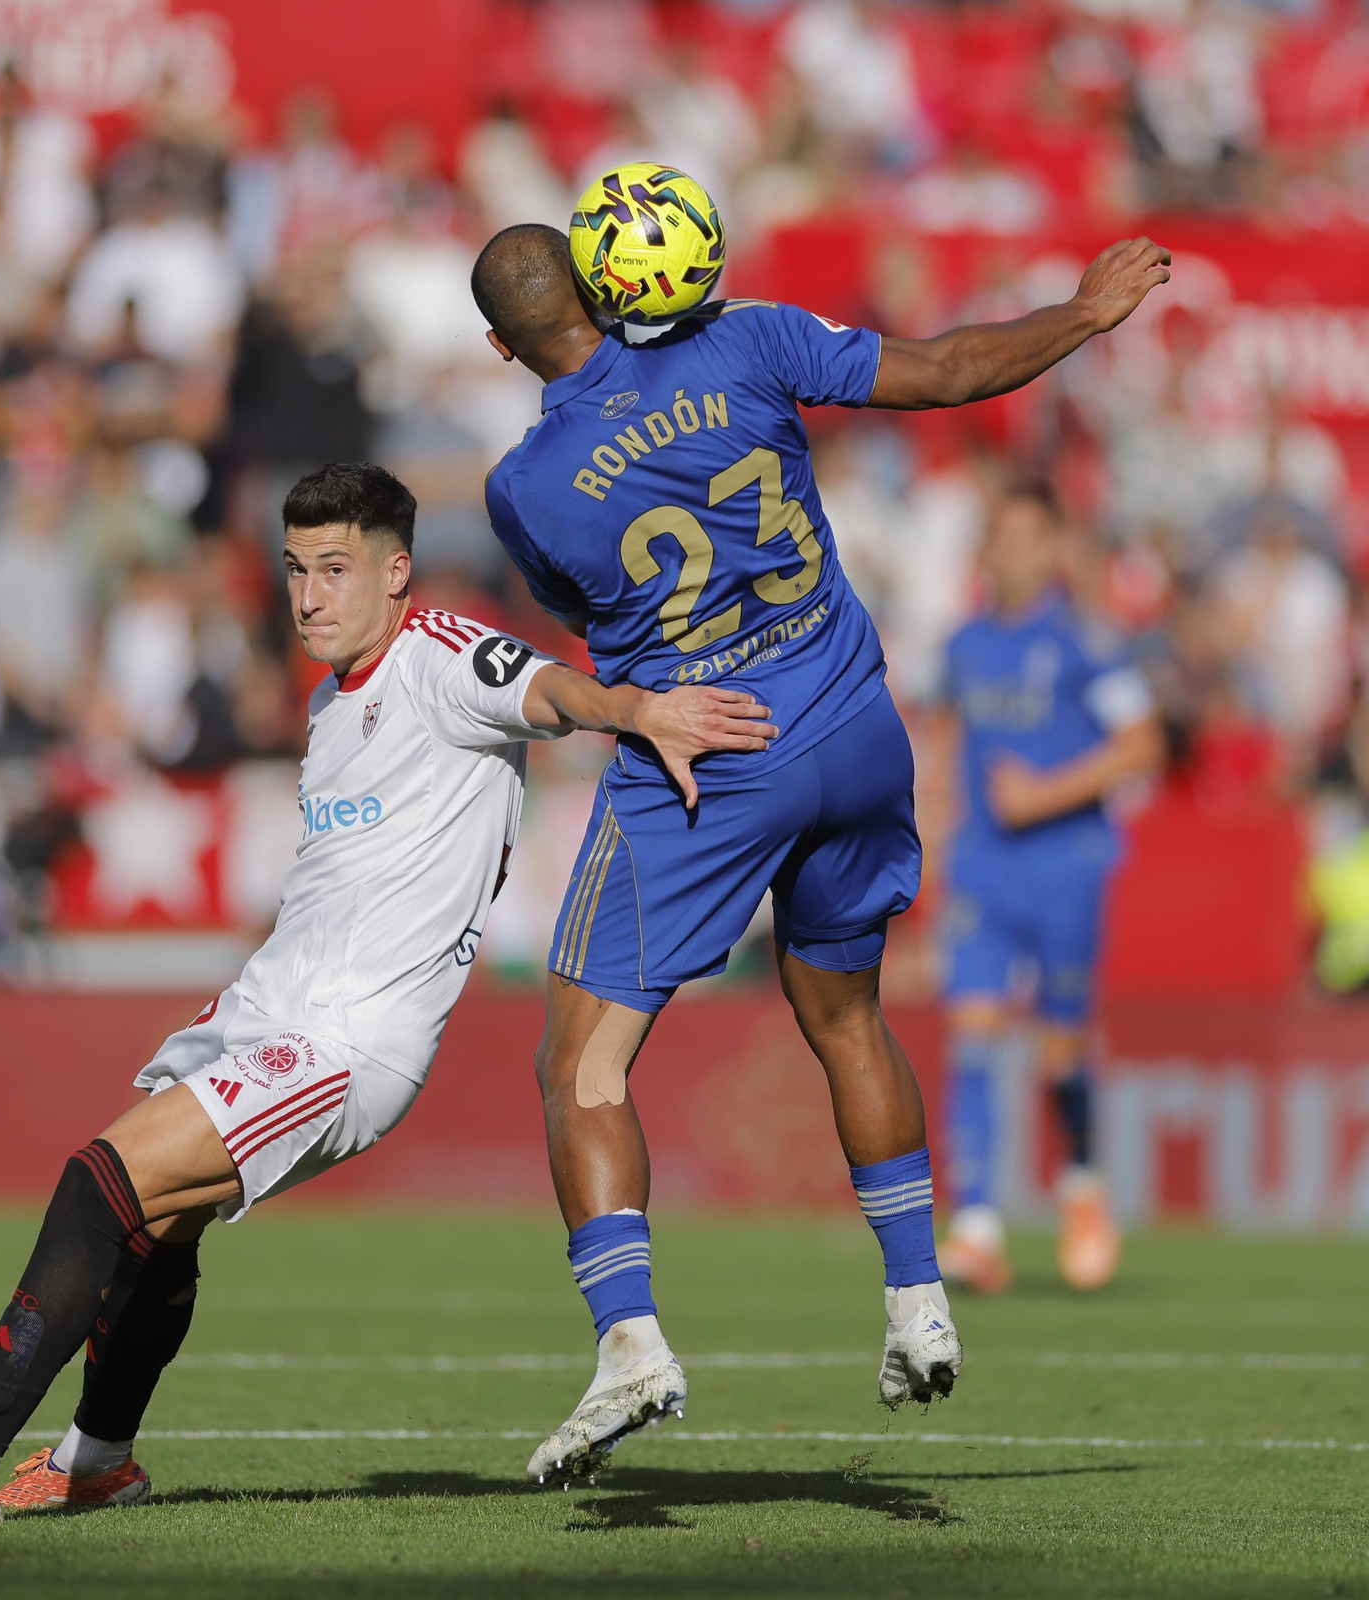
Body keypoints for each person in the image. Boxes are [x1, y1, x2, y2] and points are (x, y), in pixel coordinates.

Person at [0, 461, 775, 1530]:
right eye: (293, 569)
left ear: (395, 571)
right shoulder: (331, 702)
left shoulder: (440, 656)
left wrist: (637, 709)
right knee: (155, 1229)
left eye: (333, 568)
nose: (308, 594)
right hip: (273, 1009)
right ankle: (97, 1459)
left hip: (344, 1043)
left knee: (100, 1183)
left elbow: (547, 690)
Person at [471, 214, 1170, 1483]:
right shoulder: (749, 341)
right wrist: (1079, 312)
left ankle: (630, 1342)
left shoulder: (522, 485)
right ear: (606, 281)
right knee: (846, 1018)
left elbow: (584, 608)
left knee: (579, 1062)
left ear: (497, 344)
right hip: (851, 725)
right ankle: (917, 1297)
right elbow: (953, 370)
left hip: (710, 755)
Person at [937, 485, 1163, 1294]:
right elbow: (948, 746)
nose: (1014, 552)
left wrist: (1046, 792)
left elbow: (1142, 745)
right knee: (972, 1031)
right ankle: (976, 1227)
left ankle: (1082, 1182)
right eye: (1002, 536)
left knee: (1061, 1050)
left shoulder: (1084, 643)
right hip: (984, 869)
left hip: (1068, 866)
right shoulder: (961, 646)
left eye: (1031, 538)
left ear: (1054, 548)